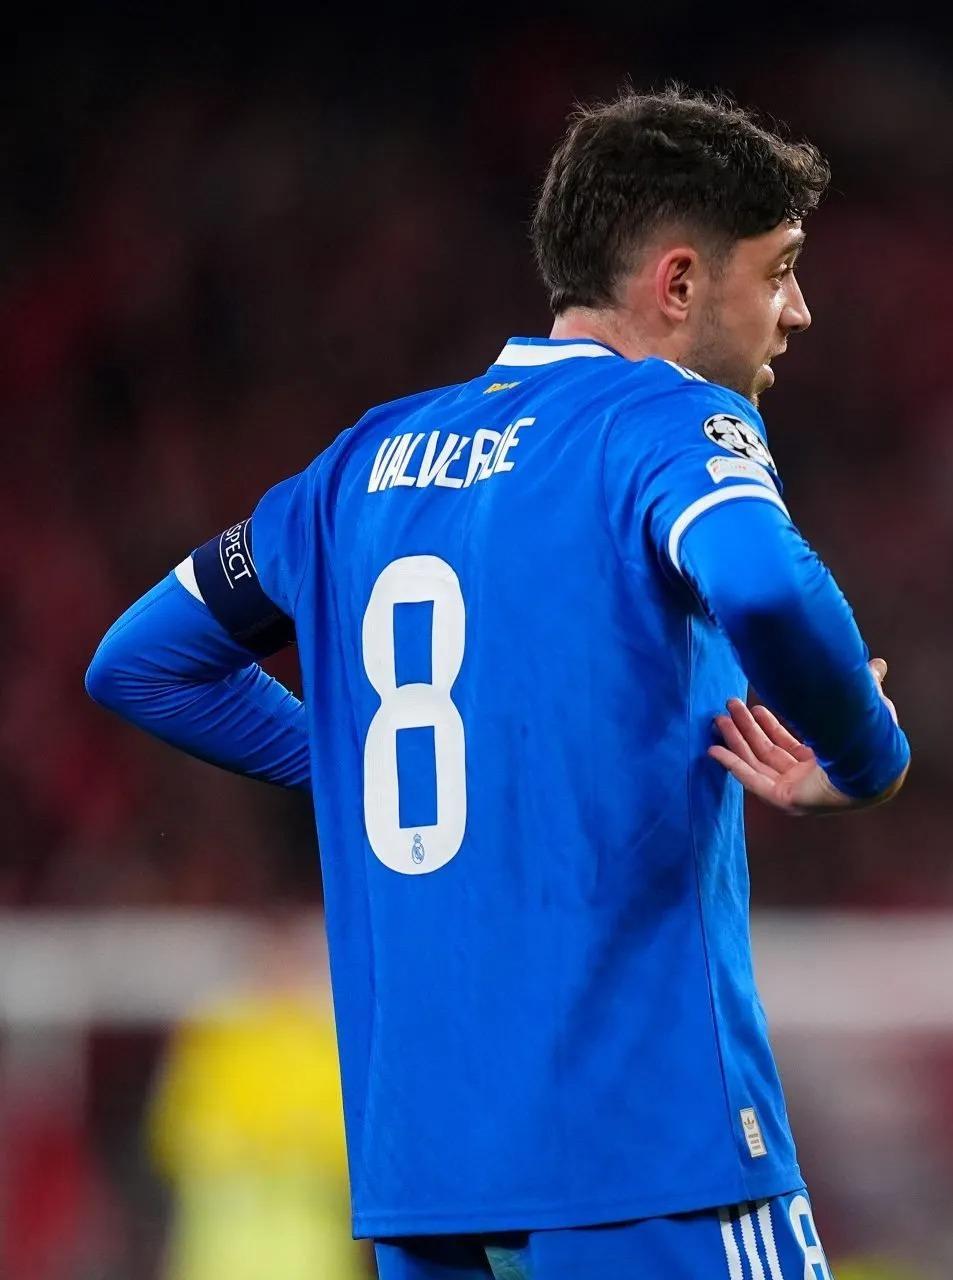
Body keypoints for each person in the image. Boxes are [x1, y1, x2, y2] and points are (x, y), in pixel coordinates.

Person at [87, 87, 908, 1279]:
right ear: (679, 284)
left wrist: (369, 766)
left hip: (427, 1173)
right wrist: (866, 753)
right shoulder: (663, 422)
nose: (799, 310)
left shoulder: (359, 463)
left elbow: (141, 662)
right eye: (779, 270)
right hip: (645, 1150)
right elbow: (768, 588)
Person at [148, 914, 366, 1280]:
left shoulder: (328, 1040)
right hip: (220, 1257)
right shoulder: (216, 1036)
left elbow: (352, 1144)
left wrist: (284, 1142)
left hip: (310, 1258)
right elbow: (174, 1134)